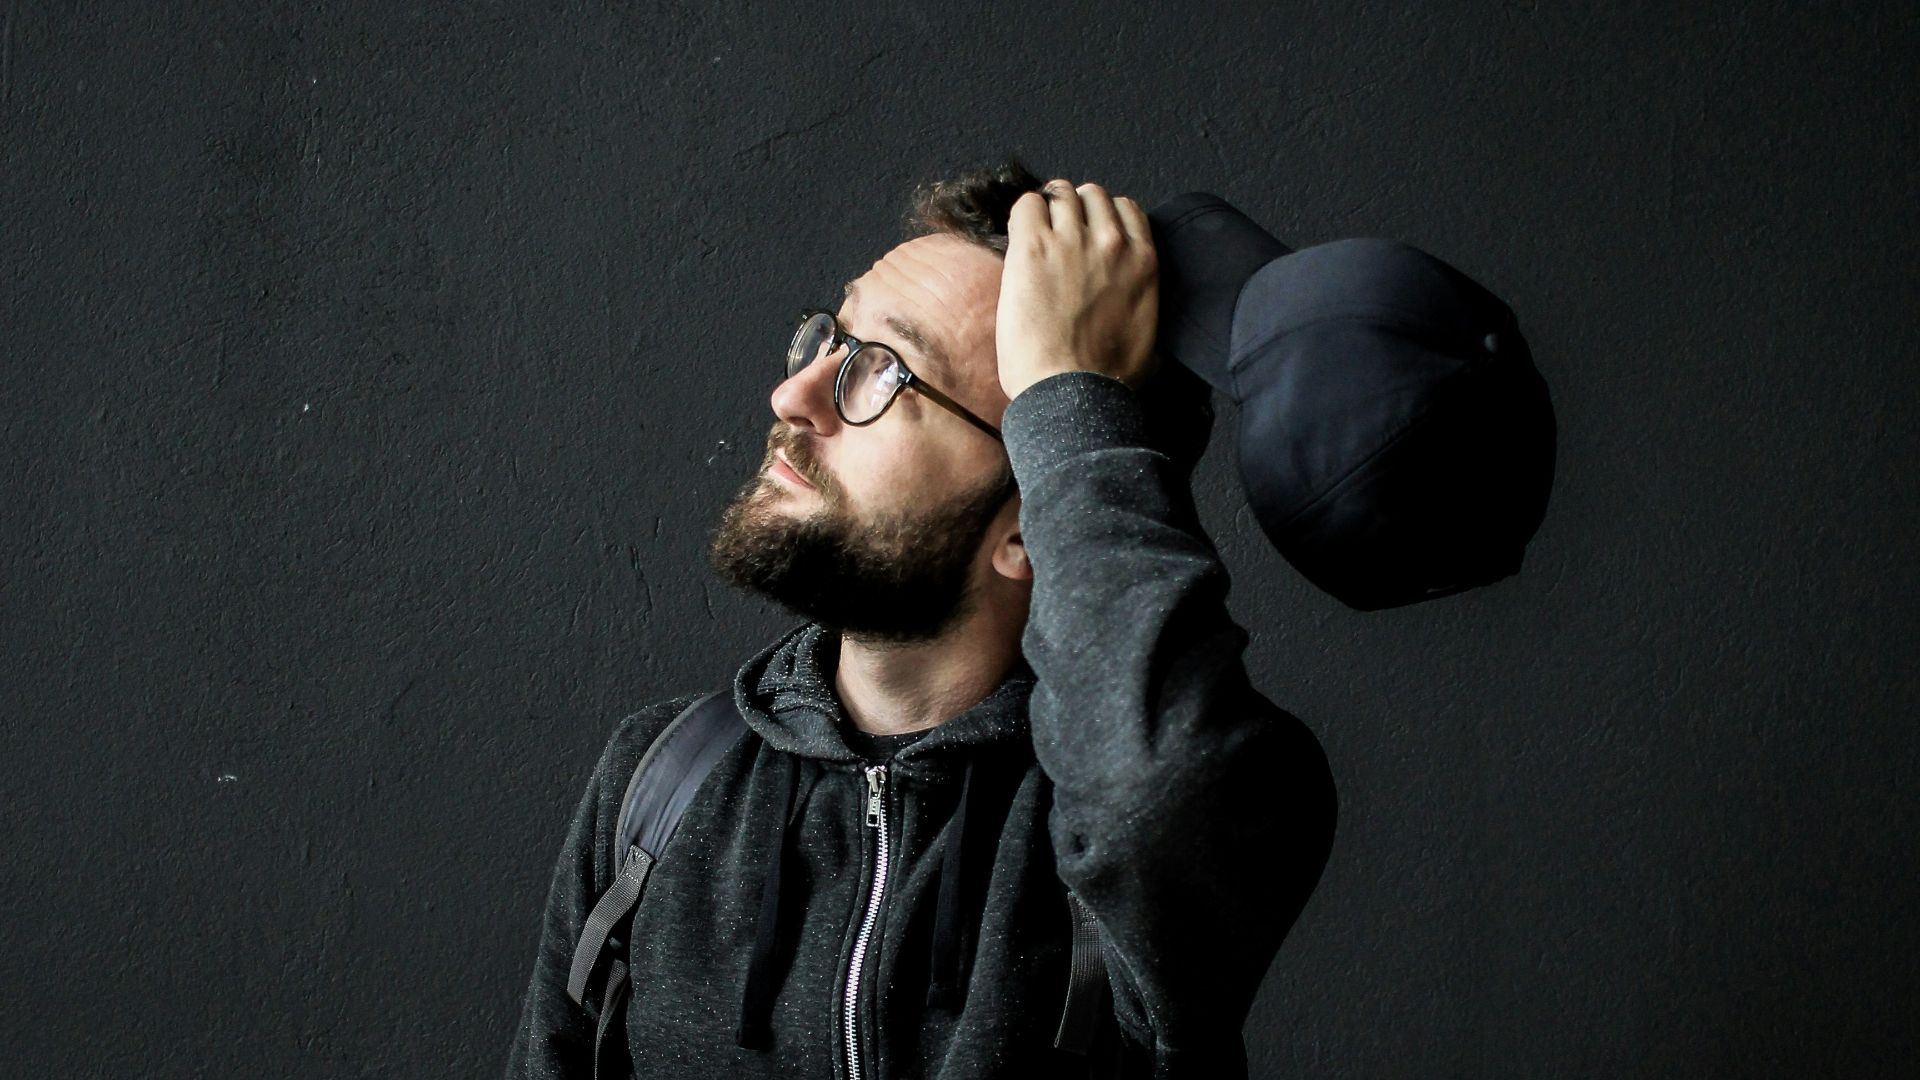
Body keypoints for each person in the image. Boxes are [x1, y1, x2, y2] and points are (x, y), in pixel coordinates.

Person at [504, 160, 1337, 1080]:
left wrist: (1072, 391)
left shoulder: (1160, 823)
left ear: (1028, 525)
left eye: (883, 373)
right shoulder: (659, 785)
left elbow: (1152, 791)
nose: (794, 399)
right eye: (833, 339)